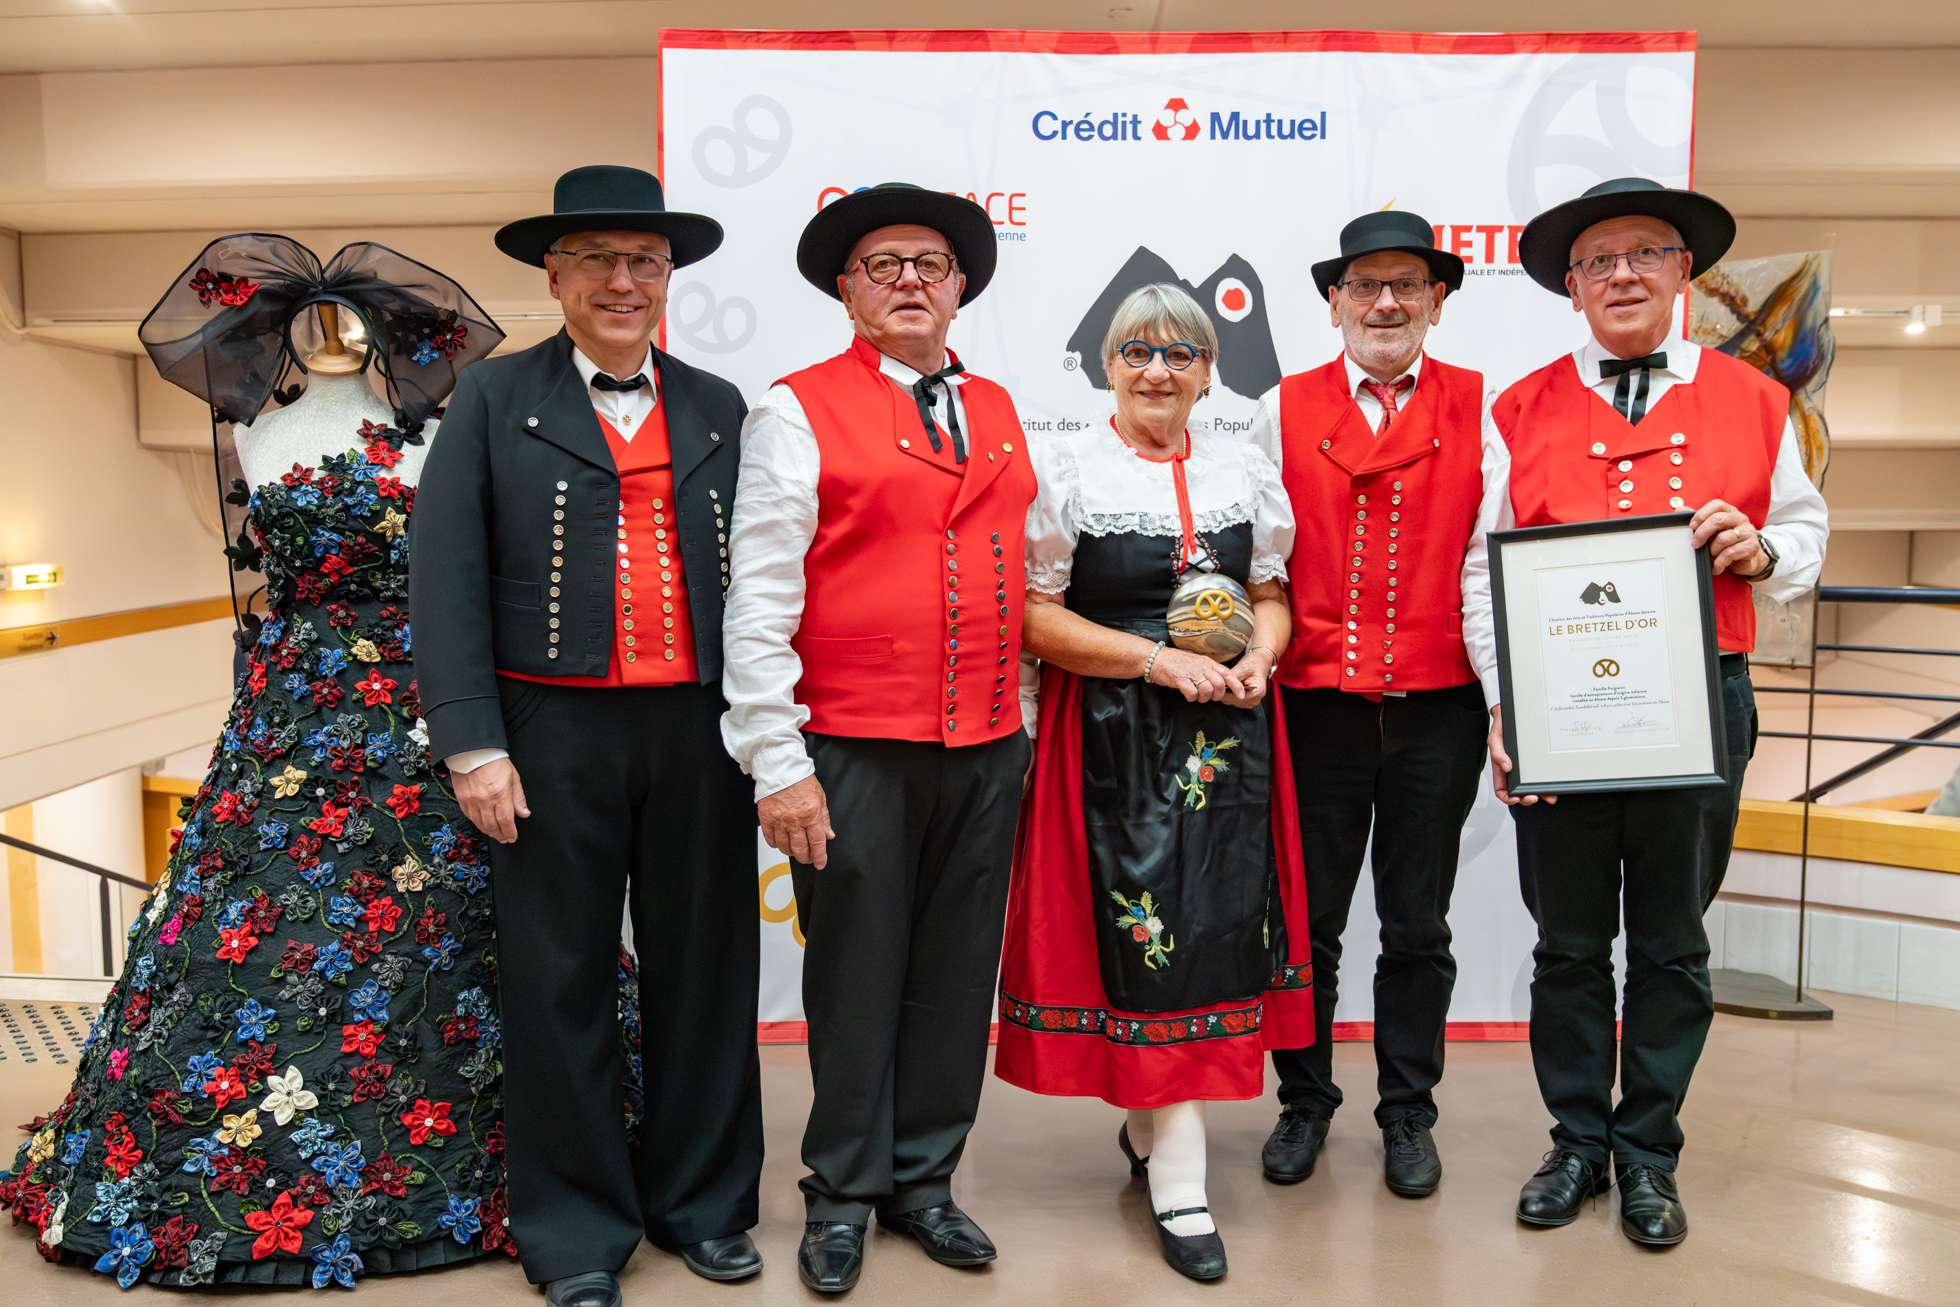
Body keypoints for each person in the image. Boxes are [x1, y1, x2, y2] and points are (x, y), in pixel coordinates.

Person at [0, 236, 657, 1289]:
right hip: (290, 716)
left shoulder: (442, 432)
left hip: (424, 705)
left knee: (467, 921)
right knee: (261, 923)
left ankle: (529, 1151)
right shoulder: (253, 431)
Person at [411, 165, 763, 1307]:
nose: (623, 281)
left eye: (644, 262)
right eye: (599, 260)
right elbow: (444, 577)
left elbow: (765, 576)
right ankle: (573, 1232)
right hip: (545, 723)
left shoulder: (719, 402)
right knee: (556, 975)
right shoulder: (489, 396)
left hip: (700, 723)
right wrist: (472, 744)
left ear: (668, 279)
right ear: (555, 277)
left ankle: (704, 1205)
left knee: (707, 967)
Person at [1465, 177, 1828, 1246]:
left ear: (1682, 273)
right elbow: (1484, 572)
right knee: (1569, 942)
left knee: (1671, 942)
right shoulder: (1517, 408)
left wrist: (1761, 548)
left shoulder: (1756, 399)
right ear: (1573, 286)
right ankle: (1576, 1140)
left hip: (1700, 699)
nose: (1621, 274)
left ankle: (1648, 1153)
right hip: (1559, 708)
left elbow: (1806, 536)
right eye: (1599, 260)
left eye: (1645, 254)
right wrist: (1506, 704)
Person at [720, 183, 1035, 1295]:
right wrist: (778, 761)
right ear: (847, 291)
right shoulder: (796, 408)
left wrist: (1020, 717)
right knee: (855, 977)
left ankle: (924, 1180)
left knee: (955, 974)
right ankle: (843, 1189)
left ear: (960, 287)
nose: (909, 280)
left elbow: (1026, 573)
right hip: (852, 746)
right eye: (883, 264)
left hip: (987, 745)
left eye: (931, 264)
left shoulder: (1000, 406)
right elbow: (759, 599)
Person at [996, 283, 1313, 1281]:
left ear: (1209, 371)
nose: (1158, 370)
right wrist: (1152, 660)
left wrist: (1261, 654)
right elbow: (1033, 615)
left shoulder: (1241, 467)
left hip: (1230, 745)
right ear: (1106, 365)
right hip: (1111, 740)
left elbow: (1270, 592)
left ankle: (1159, 1136)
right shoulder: (1069, 471)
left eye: (1181, 353)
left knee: (1208, 938)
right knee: (1144, 941)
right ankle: (1179, 1175)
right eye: (1136, 350)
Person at [1245, 211, 1493, 1198]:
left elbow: (1489, 567)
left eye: (1406, 285)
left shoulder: (1484, 407)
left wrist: (1510, 707)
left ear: (1436, 301)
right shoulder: (1277, 408)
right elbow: (1256, 560)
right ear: (1334, 302)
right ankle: (1304, 1099)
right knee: (1304, 923)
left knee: (1417, 922)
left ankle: (1407, 1110)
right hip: (1314, 706)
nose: (1385, 302)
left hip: (1439, 707)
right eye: (1364, 285)